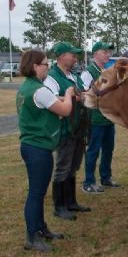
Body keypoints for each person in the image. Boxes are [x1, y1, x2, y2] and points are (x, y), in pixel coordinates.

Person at [16, 49, 75, 252]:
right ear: (35, 66)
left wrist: (59, 97)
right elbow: (65, 110)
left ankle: (40, 229)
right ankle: (32, 236)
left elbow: (48, 102)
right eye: (44, 64)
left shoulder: (28, 87)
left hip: (31, 146)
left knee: (38, 193)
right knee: (36, 193)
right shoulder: (39, 90)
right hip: (38, 148)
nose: (47, 67)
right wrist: (68, 94)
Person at [44, 42, 91, 220]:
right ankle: (60, 206)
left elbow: (79, 93)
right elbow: (51, 98)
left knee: (73, 166)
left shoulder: (73, 75)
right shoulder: (52, 77)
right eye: (73, 54)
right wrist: (72, 97)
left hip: (77, 127)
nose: (75, 57)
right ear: (62, 56)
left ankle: (71, 202)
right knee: (63, 167)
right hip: (64, 129)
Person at [80, 41, 121, 193]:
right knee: (93, 150)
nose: (108, 55)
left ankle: (106, 177)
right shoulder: (88, 72)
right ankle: (89, 182)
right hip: (95, 118)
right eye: (105, 52)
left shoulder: (106, 71)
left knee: (108, 149)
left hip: (108, 117)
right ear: (95, 53)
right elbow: (87, 93)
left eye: (109, 52)